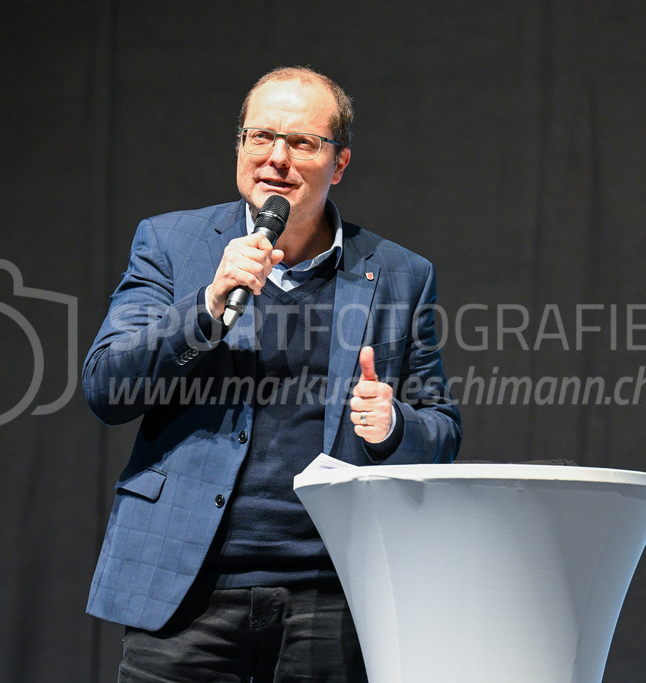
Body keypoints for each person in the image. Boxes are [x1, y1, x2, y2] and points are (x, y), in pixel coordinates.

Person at [83, 66, 463, 682]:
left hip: (331, 596)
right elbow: (106, 387)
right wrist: (207, 304)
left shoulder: (398, 273)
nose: (276, 158)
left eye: (303, 143)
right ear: (239, 146)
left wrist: (392, 427)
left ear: (338, 164)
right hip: (186, 591)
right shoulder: (173, 245)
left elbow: (441, 429)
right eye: (260, 137)